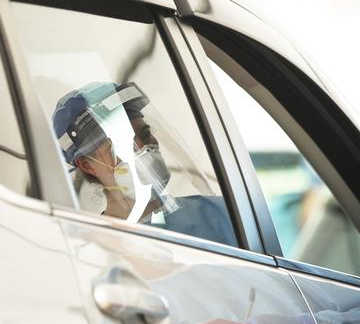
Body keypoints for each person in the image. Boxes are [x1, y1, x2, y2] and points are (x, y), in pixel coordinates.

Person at [52, 81, 238, 246]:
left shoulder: (220, 215)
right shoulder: (97, 250)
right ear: (87, 165)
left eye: (145, 133)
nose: (143, 148)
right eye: (122, 143)